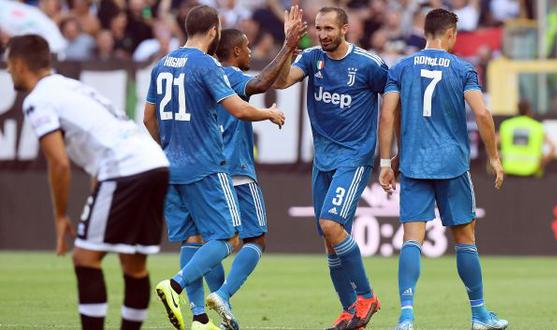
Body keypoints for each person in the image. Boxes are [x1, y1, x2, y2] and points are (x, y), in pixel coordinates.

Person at [5, 34, 169, 330]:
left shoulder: (38, 99)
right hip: (154, 163)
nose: (7, 70)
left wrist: (59, 216)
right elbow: (102, 135)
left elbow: (59, 163)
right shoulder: (71, 86)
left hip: (124, 170)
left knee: (84, 258)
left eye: (7, 64)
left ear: (18, 64)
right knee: (134, 264)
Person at [142, 5, 285, 330]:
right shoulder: (205, 64)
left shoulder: (161, 64)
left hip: (170, 166)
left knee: (192, 239)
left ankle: (199, 318)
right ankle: (175, 284)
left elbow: (148, 118)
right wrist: (269, 114)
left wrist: (168, 148)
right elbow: (236, 108)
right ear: (214, 31)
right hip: (205, 166)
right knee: (229, 238)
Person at [175, 7, 306, 330]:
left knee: (204, 240)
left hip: (203, 170)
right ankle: (220, 294)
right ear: (235, 51)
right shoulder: (227, 76)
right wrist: (287, 46)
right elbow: (260, 83)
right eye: (247, 47)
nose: (250, 52)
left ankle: (200, 314)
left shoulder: (198, 77)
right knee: (255, 240)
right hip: (236, 170)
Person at [378, 8, 508, 330]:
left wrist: (387, 160)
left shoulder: (401, 67)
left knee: (411, 240)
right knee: (465, 239)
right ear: (451, 34)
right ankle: (478, 315)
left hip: (414, 164)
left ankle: (406, 316)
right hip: (452, 164)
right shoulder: (463, 67)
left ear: (425, 32)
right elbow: (483, 115)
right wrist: (493, 157)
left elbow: (387, 115)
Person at [274, 6, 387, 330]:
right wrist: (286, 46)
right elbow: (281, 82)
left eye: (329, 29)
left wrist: (388, 158)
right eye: (318, 28)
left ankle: (367, 297)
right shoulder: (311, 58)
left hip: (354, 158)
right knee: (329, 237)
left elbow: (393, 102)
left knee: (331, 225)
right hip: (323, 159)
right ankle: (350, 310)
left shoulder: (369, 64)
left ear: (345, 29)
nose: (322, 34)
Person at [499, 99, 557, 177]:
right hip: (532, 173)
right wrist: (540, 165)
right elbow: (553, 147)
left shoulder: (506, 125)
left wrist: (498, 164)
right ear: (529, 110)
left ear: (517, 109)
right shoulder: (537, 127)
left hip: (509, 172)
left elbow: (491, 144)